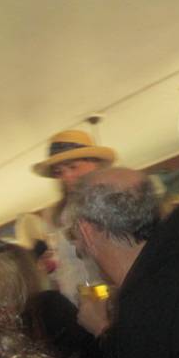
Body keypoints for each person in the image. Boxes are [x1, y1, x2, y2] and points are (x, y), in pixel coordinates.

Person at [66, 167, 179, 358]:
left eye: (73, 234)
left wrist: (104, 331)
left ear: (87, 232)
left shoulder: (147, 309)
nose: (77, 245)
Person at [32, 129, 117, 304]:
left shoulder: (113, 201)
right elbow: (67, 265)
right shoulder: (57, 214)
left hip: (111, 296)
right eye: (59, 172)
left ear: (94, 163)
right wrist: (51, 268)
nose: (67, 176)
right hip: (77, 301)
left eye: (73, 167)